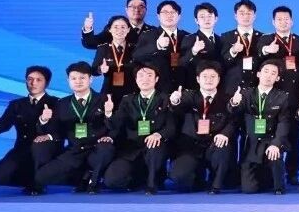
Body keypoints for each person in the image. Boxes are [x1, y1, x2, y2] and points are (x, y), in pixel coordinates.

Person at [33, 61, 116, 193]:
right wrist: (44, 120)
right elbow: (55, 130)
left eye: (82, 78)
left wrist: (109, 114)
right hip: (75, 150)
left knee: (106, 149)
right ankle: (82, 176)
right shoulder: (62, 103)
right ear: (68, 81)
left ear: (90, 79)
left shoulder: (104, 100)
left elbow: (117, 126)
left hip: (97, 148)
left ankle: (93, 181)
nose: (78, 81)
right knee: (41, 177)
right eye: (74, 78)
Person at [0, 65, 58, 195]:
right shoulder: (16, 104)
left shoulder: (56, 103)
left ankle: (38, 181)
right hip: (22, 149)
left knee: (39, 157)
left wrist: (47, 128)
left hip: (45, 150)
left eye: (38, 80)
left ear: (46, 83)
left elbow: (61, 130)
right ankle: (31, 179)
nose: (33, 83)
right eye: (30, 79)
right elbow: (1, 127)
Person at [168, 62, 236, 194]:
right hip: (191, 146)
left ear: (219, 79)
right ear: (198, 79)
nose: (209, 80)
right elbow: (177, 108)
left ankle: (216, 185)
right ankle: (197, 179)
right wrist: (175, 101)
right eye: (205, 76)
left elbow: (233, 120)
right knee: (178, 176)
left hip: (214, 144)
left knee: (223, 147)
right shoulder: (188, 96)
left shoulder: (227, 98)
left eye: (213, 76)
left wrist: (225, 133)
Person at [106, 63, 175, 194]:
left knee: (154, 146)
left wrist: (158, 135)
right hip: (132, 148)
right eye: (141, 76)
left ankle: (152, 182)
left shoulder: (165, 99)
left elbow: (171, 127)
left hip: (156, 146)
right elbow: (116, 124)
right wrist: (109, 113)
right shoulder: (128, 100)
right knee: (112, 181)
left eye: (149, 76)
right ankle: (138, 178)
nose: (145, 79)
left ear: (156, 79)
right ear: (136, 80)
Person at [259, 5, 299, 185]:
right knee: (271, 133)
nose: (283, 22)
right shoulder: (265, 40)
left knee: (295, 135)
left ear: (292, 21)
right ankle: (268, 172)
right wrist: (266, 50)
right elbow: (258, 59)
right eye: (279, 19)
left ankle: (292, 173)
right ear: (273, 22)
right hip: (273, 96)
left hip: (295, 95)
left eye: (286, 19)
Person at [229, 60, 292, 194]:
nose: (268, 75)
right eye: (266, 71)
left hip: (271, 140)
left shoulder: (282, 97)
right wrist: (234, 103)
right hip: (251, 142)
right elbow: (234, 112)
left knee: (277, 186)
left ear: (277, 78)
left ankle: (276, 178)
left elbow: (284, 122)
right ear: (258, 74)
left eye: (273, 73)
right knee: (248, 190)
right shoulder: (246, 94)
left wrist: (276, 144)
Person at [132, 0, 187, 94]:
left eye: (172, 12)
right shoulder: (148, 35)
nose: (169, 15)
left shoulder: (187, 36)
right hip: (158, 90)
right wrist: (157, 45)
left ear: (179, 16)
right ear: (158, 16)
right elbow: (136, 55)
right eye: (165, 12)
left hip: (183, 88)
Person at [81, 0, 152, 51]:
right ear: (126, 10)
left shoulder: (153, 31)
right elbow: (90, 44)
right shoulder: (114, 29)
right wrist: (87, 29)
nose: (136, 9)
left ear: (146, 10)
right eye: (132, 6)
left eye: (141, 6)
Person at [219, 0, 261, 94]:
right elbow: (221, 62)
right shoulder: (226, 37)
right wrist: (233, 51)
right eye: (242, 13)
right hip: (232, 86)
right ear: (235, 16)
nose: (245, 16)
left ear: (254, 16)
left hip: (256, 86)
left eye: (249, 13)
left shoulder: (262, 37)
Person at [179, 2, 222, 91]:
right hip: (195, 88)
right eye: (202, 17)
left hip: (218, 88)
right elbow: (180, 63)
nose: (206, 19)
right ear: (196, 20)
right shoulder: (189, 39)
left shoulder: (221, 39)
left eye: (210, 16)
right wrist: (193, 51)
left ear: (216, 19)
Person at [92, 15, 134, 104]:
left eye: (123, 27)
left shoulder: (135, 48)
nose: (119, 30)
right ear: (109, 29)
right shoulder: (103, 48)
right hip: (108, 93)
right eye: (116, 27)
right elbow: (93, 71)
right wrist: (100, 69)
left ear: (128, 29)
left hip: (131, 93)